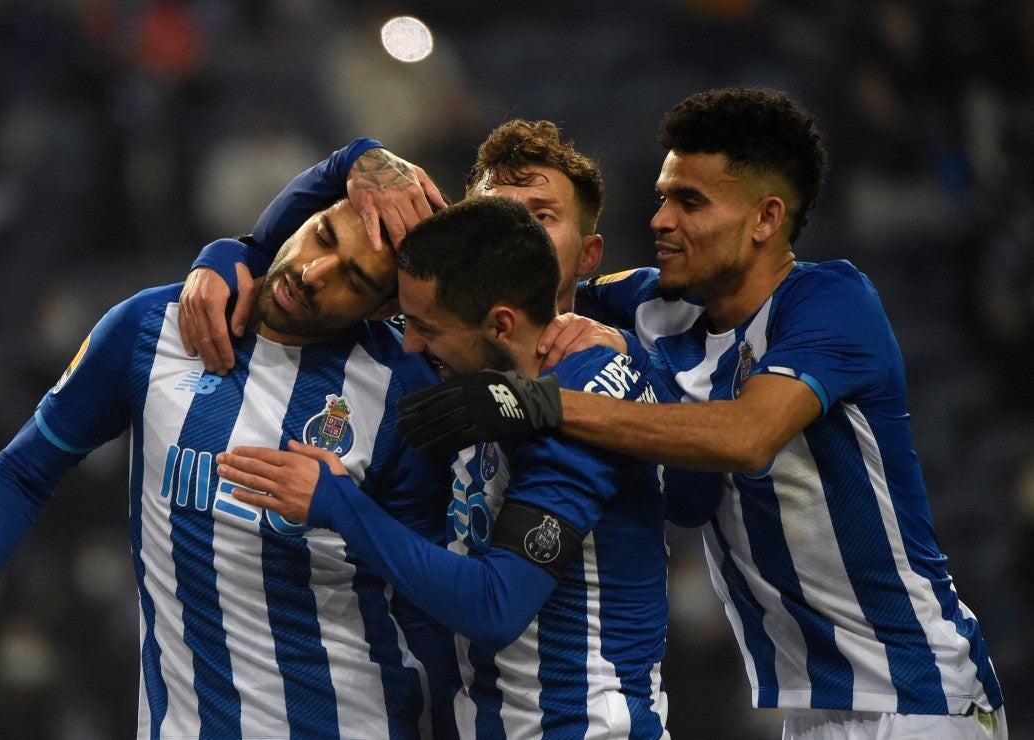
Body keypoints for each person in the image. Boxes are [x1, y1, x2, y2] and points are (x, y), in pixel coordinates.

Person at [394, 87, 1008, 739]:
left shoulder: (831, 302)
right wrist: (368, 168)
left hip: (916, 694)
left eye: (689, 201)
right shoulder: (643, 308)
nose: (661, 220)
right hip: (809, 703)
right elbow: (515, 299)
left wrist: (533, 403)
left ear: (765, 218)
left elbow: (747, 437)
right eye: (662, 196)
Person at [0, 145, 462, 740]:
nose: (313, 274)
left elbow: (432, 601)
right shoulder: (150, 328)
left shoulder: (406, 391)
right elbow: (23, 474)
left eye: (353, 279)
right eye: (324, 237)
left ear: (386, 306)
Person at [217, 196, 674, 738]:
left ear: (501, 324)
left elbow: (496, 606)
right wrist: (225, 255)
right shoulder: (478, 380)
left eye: (425, 328)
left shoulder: (586, 397)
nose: (409, 343)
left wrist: (338, 502)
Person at [181, 119, 616, 369]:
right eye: (493, 214)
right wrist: (358, 156)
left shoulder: (621, 322)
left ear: (589, 254)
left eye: (541, 217)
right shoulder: (408, 340)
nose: (513, 233)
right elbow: (272, 255)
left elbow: (686, 492)